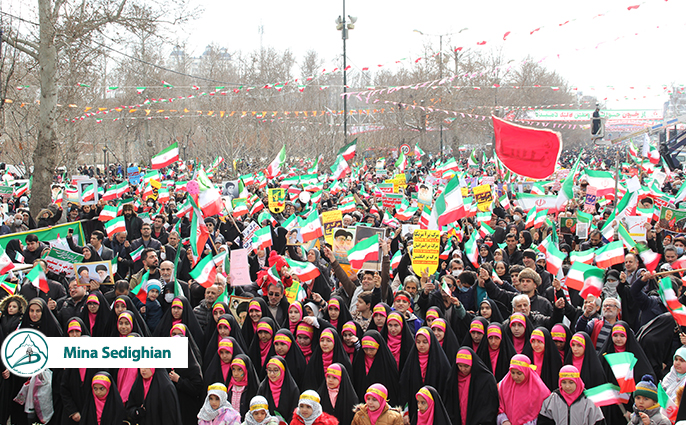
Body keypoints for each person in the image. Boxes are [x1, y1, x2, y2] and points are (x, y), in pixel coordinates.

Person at [445, 347, 498, 425]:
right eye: (460, 366)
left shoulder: (485, 380)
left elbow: (489, 407)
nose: (463, 369)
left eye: (466, 366)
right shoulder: (452, 379)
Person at [538, 365, 604, 425]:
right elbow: (544, 421)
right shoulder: (552, 399)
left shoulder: (589, 400)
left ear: (577, 382)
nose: (567, 386)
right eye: (564, 382)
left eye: (571, 382)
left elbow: (598, 421)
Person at [497, 354, 551, 425]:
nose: (515, 377)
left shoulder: (540, 390)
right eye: (512, 373)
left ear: (526, 371)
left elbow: (544, 415)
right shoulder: (504, 385)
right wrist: (504, 420)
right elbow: (499, 405)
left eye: (519, 373)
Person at [256, 356, 300, 423]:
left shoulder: (292, 389)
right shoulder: (263, 387)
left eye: (276, 370)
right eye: (269, 370)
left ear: (282, 371)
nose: (272, 374)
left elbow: (295, 411)